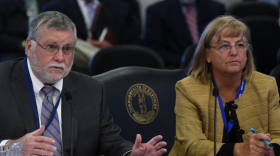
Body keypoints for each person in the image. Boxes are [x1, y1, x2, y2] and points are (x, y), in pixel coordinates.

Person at [0, 11, 167, 156]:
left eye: (67, 49)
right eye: (51, 47)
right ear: (29, 47)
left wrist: (131, 153)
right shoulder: (2, 81)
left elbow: (112, 142)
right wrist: (12, 149)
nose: (60, 58)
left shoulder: (92, 89)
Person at [169, 15, 280, 156]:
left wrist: (271, 150)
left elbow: (278, 135)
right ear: (207, 55)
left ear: (247, 53)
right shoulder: (188, 89)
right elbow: (191, 145)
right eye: (225, 46)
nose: (234, 52)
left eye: (240, 45)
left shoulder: (267, 85)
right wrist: (239, 150)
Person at [142, 0, 225, 68]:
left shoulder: (216, 8)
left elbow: (224, 42)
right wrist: (189, 61)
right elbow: (153, 49)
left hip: (212, 67)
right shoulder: (157, 11)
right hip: (175, 69)